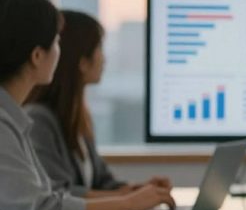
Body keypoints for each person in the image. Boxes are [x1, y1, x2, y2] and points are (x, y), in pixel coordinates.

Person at [0, 0, 175, 210]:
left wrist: (129, 194)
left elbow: (54, 198)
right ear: (37, 56)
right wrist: (126, 202)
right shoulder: (10, 125)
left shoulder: (15, 120)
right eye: (56, 41)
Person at [26, 10, 171, 199]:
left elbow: (102, 182)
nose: (104, 58)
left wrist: (139, 190)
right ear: (82, 61)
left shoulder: (78, 117)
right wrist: (128, 200)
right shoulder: (38, 120)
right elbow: (58, 195)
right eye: (99, 48)